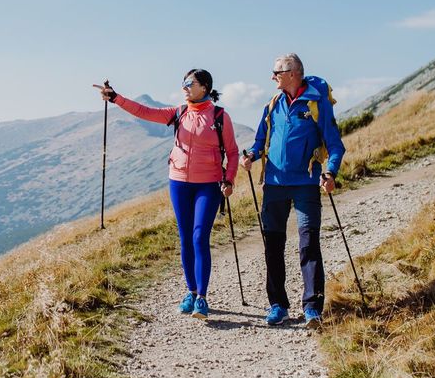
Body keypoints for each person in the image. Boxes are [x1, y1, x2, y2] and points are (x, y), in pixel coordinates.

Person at [94, 70, 239, 320]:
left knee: (199, 237)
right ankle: (191, 292)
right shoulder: (178, 113)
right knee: (185, 238)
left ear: (204, 87)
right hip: (179, 182)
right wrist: (116, 97)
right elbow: (144, 112)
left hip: (209, 184)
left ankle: (202, 298)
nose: (184, 87)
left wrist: (229, 180)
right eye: (183, 83)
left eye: (189, 83)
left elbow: (234, 152)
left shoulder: (219, 117)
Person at [241, 53, 345, 327]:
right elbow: (260, 141)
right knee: (272, 245)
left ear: (292, 72)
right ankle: (278, 304)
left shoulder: (316, 103)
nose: (272, 77)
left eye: (276, 72)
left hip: (306, 183)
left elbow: (335, 144)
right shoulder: (272, 105)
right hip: (274, 184)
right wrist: (251, 155)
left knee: (309, 244)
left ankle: (313, 308)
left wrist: (330, 172)